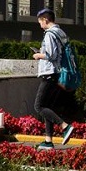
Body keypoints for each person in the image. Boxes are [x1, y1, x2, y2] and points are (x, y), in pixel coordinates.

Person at [31, 8, 73, 149]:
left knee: (38, 106)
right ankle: (48, 141)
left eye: (40, 22)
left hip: (49, 73)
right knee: (48, 107)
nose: (40, 25)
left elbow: (51, 55)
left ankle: (65, 126)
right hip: (58, 73)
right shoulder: (60, 32)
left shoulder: (50, 34)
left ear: (45, 20)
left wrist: (38, 55)